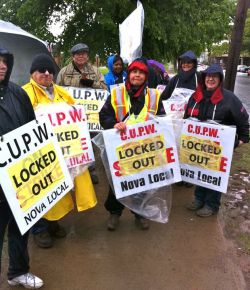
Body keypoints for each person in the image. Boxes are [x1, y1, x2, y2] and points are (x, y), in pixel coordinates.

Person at [23, 53, 96, 248]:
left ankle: (52, 223)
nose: (46, 74)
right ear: (32, 73)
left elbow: (76, 117)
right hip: (38, 155)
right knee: (39, 192)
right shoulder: (25, 94)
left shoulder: (61, 93)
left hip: (63, 153)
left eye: (50, 71)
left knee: (58, 189)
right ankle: (39, 229)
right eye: (41, 70)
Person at [99, 58, 165, 231]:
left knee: (142, 183)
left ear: (146, 76)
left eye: (141, 72)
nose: (137, 75)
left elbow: (163, 120)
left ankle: (140, 214)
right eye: (134, 71)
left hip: (144, 151)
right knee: (117, 182)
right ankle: (115, 213)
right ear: (130, 74)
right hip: (120, 150)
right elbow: (103, 116)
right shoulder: (116, 93)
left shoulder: (154, 96)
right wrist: (113, 124)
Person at [0, 47, 43, 288]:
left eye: (5, 61)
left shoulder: (18, 93)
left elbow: (33, 130)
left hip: (20, 177)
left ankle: (17, 271)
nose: (2, 65)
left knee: (20, 227)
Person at [184, 63, 249, 217]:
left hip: (219, 148)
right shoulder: (195, 96)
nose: (211, 79)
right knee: (200, 171)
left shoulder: (229, 98)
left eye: (215, 76)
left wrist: (242, 140)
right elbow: (186, 117)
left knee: (214, 176)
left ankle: (211, 205)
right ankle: (199, 198)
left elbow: (243, 120)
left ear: (220, 79)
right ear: (203, 78)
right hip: (199, 147)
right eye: (208, 76)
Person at [57, 43, 107, 184]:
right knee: (74, 142)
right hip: (71, 116)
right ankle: (74, 172)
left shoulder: (95, 71)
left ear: (87, 56)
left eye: (83, 53)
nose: (81, 56)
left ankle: (90, 169)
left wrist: (91, 83)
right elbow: (57, 91)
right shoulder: (64, 72)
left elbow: (104, 88)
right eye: (78, 54)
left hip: (90, 115)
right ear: (73, 56)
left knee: (89, 143)